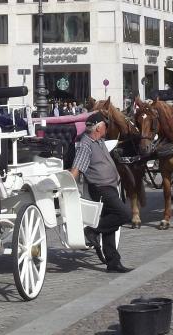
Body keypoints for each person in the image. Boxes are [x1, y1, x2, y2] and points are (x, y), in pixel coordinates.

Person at [70, 112, 133, 273]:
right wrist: (69, 187)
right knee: (125, 214)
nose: (107, 127)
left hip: (110, 186)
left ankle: (113, 262)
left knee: (110, 223)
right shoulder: (86, 145)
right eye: (105, 125)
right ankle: (92, 230)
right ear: (98, 128)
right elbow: (77, 168)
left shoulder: (98, 141)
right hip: (100, 188)